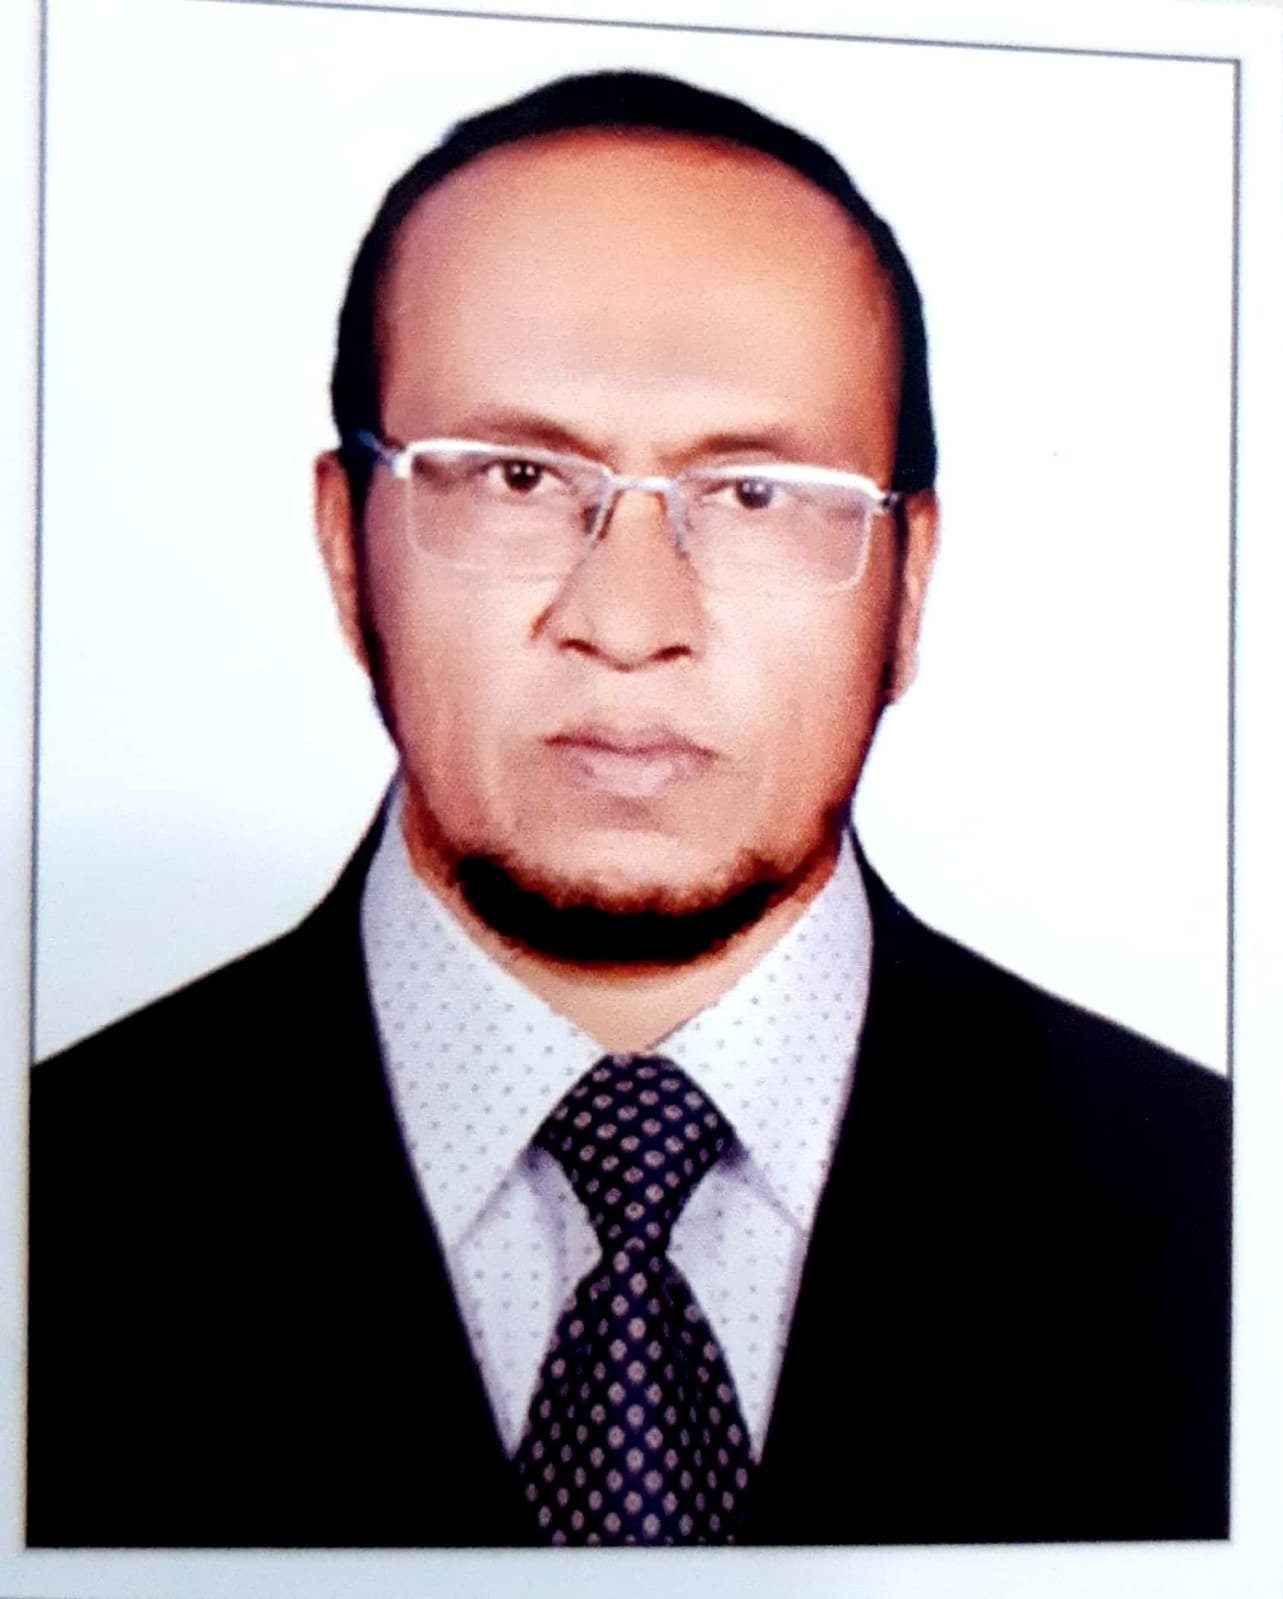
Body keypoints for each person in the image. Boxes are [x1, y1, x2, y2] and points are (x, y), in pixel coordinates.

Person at [27, 70, 1229, 1549]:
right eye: (515, 477)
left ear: (910, 586)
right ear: (346, 549)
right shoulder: (49, 1199)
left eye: (757, 492)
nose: (630, 620)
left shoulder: (1227, 1210)